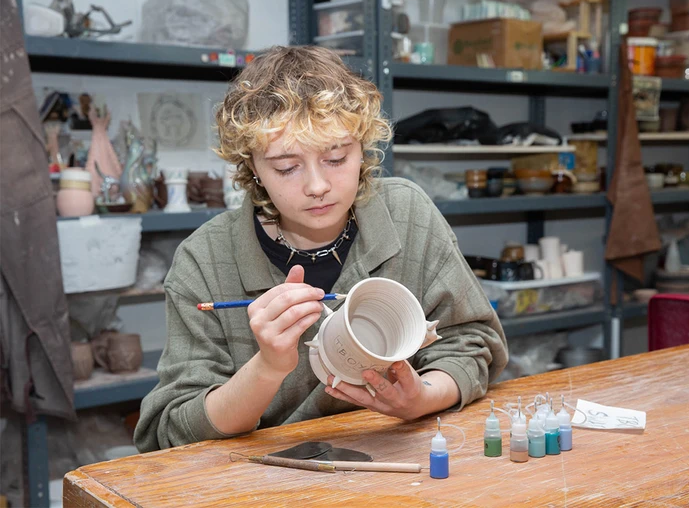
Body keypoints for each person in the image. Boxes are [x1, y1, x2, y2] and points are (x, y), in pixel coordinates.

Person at [134, 45, 508, 452]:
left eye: (335, 158)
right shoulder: (204, 259)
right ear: (252, 167)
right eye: (286, 167)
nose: (316, 186)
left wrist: (421, 398)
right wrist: (267, 367)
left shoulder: (406, 213)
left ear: (362, 149)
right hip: (266, 476)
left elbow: (472, 339)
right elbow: (171, 428)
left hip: (398, 451)